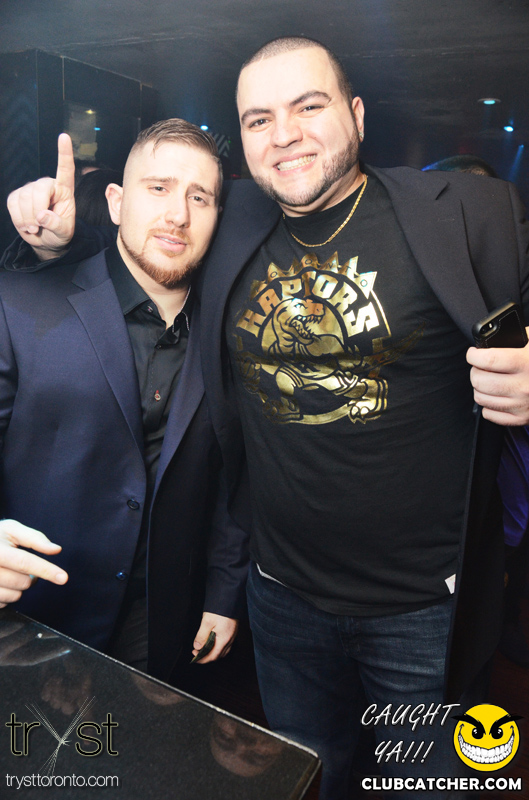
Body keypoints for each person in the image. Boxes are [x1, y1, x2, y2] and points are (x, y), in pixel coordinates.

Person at [4, 37, 529, 798]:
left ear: (355, 115)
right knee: (307, 771)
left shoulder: (471, 214)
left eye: (308, 106)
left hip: (422, 611)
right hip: (281, 604)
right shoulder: (238, 219)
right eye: (258, 119)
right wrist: (46, 244)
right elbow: (142, 240)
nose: (283, 134)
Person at [0, 119, 248, 687]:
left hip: (159, 620)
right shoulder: (21, 301)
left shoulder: (232, 328)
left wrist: (223, 592)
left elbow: (235, 475)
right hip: (30, 614)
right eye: (158, 188)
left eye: (199, 197)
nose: (178, 215)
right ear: (115, 202)